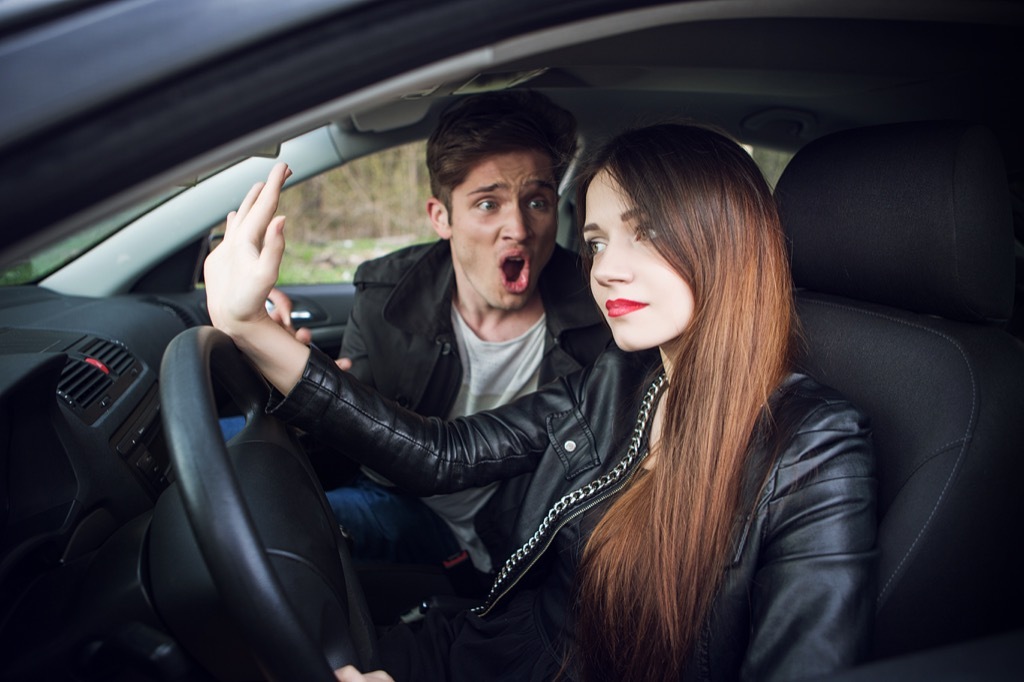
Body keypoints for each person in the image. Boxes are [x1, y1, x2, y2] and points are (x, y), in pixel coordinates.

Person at [205, 121, 877, 681]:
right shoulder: (620, 380)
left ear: (725, 235)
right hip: (484, 647)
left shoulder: (813, 451)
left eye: (644, 232)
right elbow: (443, 453)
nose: (605, 269)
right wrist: (251, 328)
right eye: (596, 242)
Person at [267, 92, 610, 578]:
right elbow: (354, 429)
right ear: (441, 217)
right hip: (402, 497)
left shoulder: (602, 313)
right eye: (488, 204)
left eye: (537, 201)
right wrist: (294, 385)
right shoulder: (385, 294)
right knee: (267, 504)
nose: (518, 228)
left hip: (521, 526)